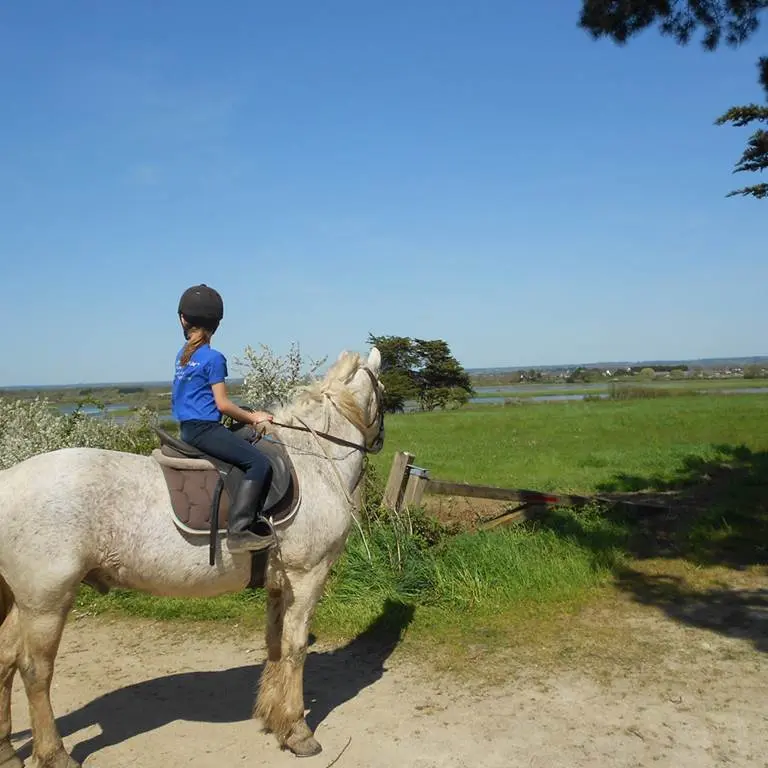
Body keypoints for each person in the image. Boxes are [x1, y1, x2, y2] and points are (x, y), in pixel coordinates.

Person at [171, 283, 275, 554]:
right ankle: (240, 531)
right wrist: (254, 417)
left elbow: (199, 397)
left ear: (183, 319)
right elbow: (222, 404)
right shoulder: (214, 358)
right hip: (206, 430)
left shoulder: (183, 356)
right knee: (259, 463)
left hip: (187, 430)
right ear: (217, 323)